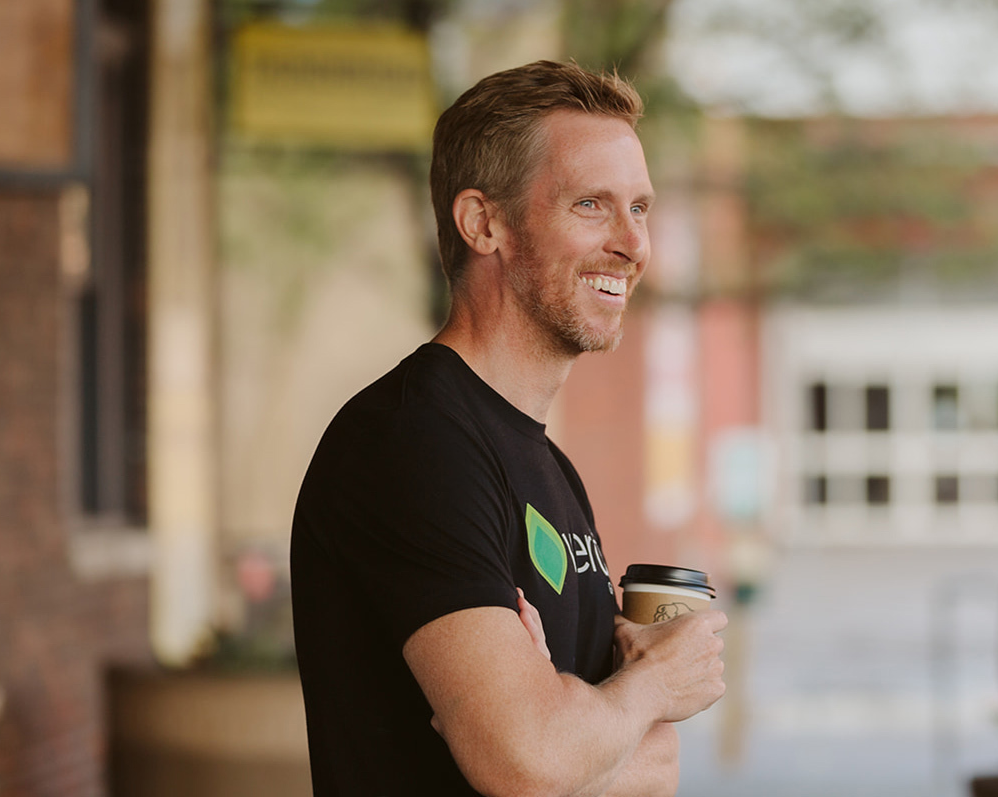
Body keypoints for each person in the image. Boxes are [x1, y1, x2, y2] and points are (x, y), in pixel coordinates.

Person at [290, 61, 726, 797]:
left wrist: (580, 722)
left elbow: (653, 766)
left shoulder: (551, 466)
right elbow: (530, 759)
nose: (632, 243)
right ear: (483, 222)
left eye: (641, 207)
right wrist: (651, 686)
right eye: (592, 204)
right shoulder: (410, 444)